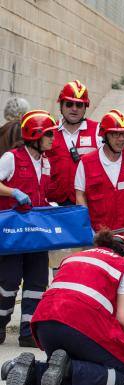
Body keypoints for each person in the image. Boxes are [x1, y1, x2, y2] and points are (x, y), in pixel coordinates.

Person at [4, 231, 124, 385]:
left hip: (45, 326)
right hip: (81, 327)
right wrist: (119, 349)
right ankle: (69, 370)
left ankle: (30, 371)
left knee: (64, 364)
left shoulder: (74, 257)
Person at [0, 110, 56, 347]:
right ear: (36, 135)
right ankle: (0, 323)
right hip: (12, 233)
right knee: (9, 280)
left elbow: (42, 194)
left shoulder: (46, 163)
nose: (53, 139)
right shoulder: (11, 158)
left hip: (36, 233)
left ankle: (27, 332)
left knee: (37, 282)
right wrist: (13, 192)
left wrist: (49, 205)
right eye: (49, 134)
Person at [45, 80, 103, 206]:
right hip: (54, 205)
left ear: (85, 107)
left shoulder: (98, 131)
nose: (74, 109)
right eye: (69, 104)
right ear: (61, 105)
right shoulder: (49, 131)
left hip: (88, 203)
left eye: (79, 105)